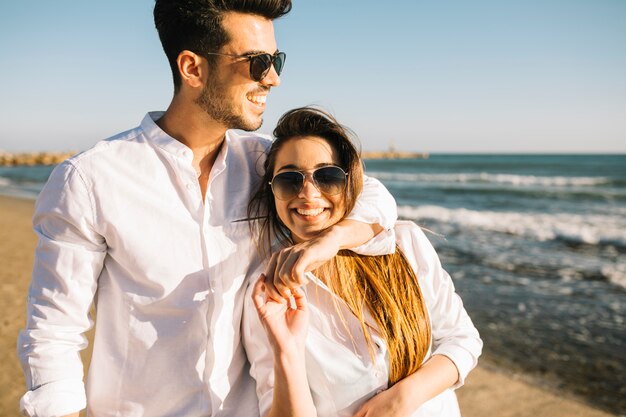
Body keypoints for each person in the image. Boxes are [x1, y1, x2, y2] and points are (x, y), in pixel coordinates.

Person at [16, 2, 399, 417]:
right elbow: (53, 333)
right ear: (192, 68)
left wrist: (332, 241)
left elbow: (371, 196)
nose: (272, 78)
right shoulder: (91, 179)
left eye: (277, 61)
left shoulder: (262, 163)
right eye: (258, 62)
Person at [243, 107, 483, 417]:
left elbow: (463, 339)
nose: (308, 193)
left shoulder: (404, 245)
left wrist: (405, 397)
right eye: (289, 179)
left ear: (350, 183)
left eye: (327, 176)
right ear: (272, 191)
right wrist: (286, 351)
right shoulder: (266, 294)